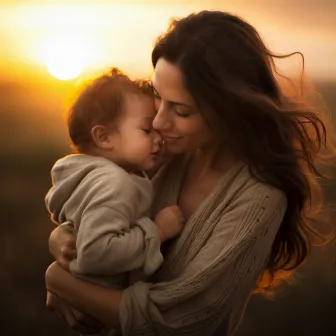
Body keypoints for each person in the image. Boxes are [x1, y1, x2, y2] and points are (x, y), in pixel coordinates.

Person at [45, 10, 336, 336]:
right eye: (158, 96)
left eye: (181, 110)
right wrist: (63, 240)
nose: (158, 122)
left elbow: (172, 322)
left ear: (228, 110)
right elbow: (91, 210)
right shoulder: (159, 151)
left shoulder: (259, 198)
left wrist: (59, 280)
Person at [45, 68, 185, 334]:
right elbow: (96, 253)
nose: (159, 138)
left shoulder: (93, 175)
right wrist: (158, 231)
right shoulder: (114, 183)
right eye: (146, 129)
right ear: (104, 137)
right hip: (102, 311)